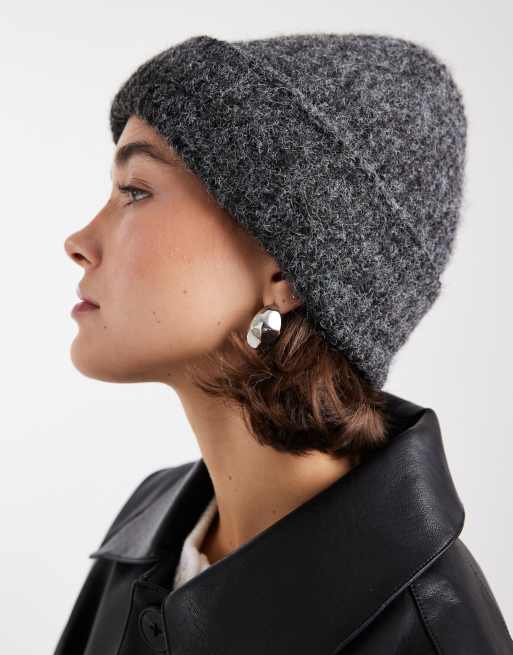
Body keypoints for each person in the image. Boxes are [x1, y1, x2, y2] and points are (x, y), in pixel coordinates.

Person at [56, 33, 513, 654]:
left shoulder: (428, 635)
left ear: (289, 272)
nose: (79, 242)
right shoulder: (146, 538)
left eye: (135, 191)